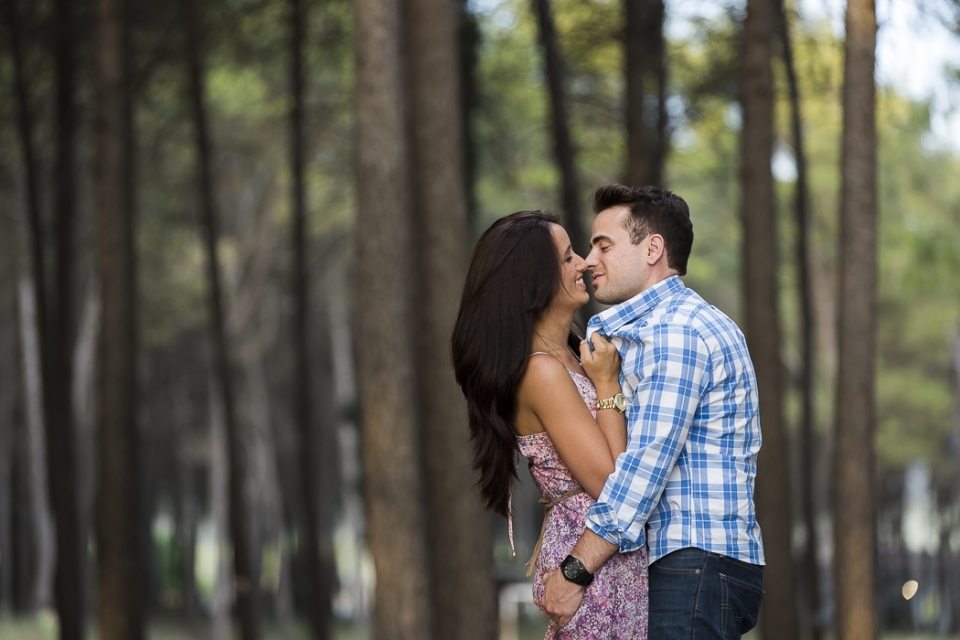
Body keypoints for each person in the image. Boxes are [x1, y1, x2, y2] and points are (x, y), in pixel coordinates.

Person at [541, 185, 765, 639]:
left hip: (693, 562)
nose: (588, 260)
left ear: (652, 249)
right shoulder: (653, 332)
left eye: (604, 244)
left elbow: (643, 470)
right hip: (694, 564)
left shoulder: (678, 333)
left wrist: (574, 571)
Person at [452, 211, 648, 638]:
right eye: (566, 258)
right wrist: (608, 385)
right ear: (532, 282)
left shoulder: (575, 356)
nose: (583, 263)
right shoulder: (540, 372)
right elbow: (610, 482)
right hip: (589, 558)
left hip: (613, 554)